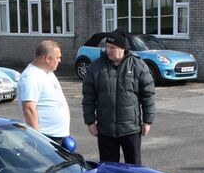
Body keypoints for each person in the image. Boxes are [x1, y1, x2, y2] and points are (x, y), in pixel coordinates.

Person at [81, 28, 155, 165]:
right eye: (107, 47)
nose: (109, 50)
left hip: (131, 130)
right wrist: (90, 121)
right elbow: (88, 97)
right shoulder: (96, 67)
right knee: (109, 169)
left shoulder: (138, 66)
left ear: (123, 49)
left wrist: (147, 121)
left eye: (113, 47)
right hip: (105, 130)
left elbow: (148, 96)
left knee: (134, 168)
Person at [17, 40, 70, 143]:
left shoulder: (47, 72)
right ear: (48, 59)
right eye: (57, 57)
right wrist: (38, 139)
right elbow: (29, 108)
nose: (59, 60)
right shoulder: (31, 77)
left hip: (57, 135)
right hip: (45, 137)